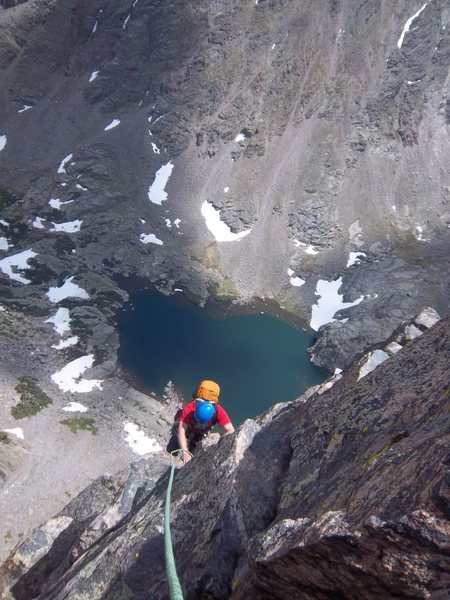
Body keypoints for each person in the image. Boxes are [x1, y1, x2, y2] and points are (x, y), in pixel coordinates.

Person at [167, 380, 235, 464]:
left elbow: (231, 430)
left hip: (199, 434)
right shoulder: (190, 408)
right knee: (171, 448)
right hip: (187, 428)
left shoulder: (218, 411)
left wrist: (219, 439)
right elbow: (181, 430)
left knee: (192, 458)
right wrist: (185, 452)